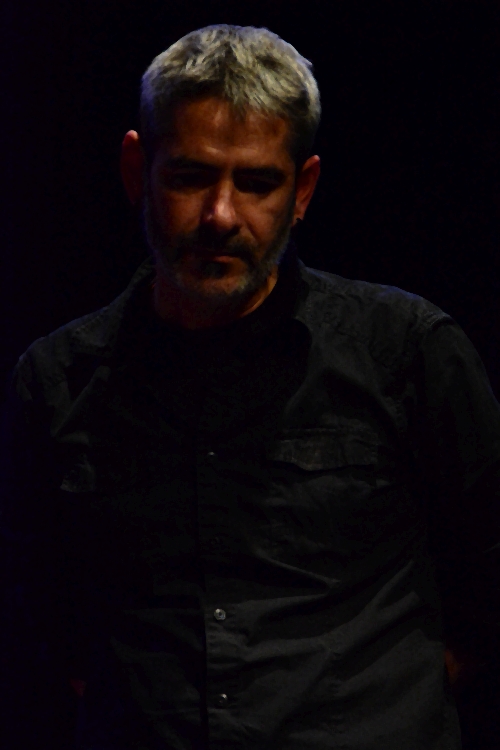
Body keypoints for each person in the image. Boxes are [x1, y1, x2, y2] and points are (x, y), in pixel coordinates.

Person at [1, 23, 499, 750]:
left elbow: (490, 577)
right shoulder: (57, 382)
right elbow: (42, 615)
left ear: (303, 190)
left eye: (257, 183)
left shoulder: (407, 353)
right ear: (137, 171)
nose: (221, 216)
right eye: (190, 177)